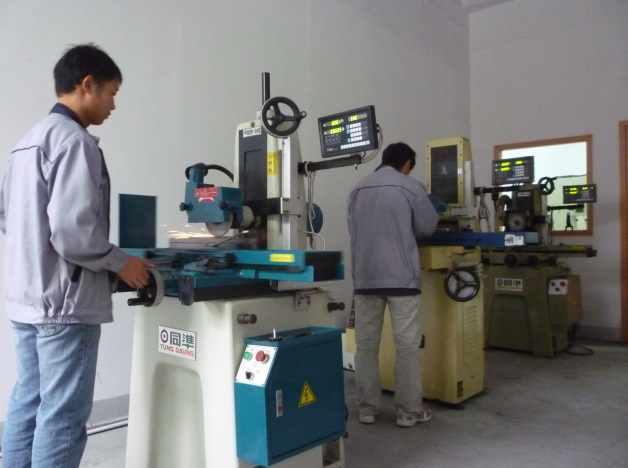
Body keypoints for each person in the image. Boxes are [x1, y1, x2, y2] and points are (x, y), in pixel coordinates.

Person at [0, 44, 152, 467]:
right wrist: (123, 263)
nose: (113, 105)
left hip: (25, 299)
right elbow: (74, 234)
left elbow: (7, 216)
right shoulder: (76, 142)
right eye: (112, 93)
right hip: (65, 306)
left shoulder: (27, 142)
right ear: (88, 85)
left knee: (29, 401)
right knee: (63, 416)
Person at [347, 142, 439, 428]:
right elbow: (427, 227)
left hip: (366, 278)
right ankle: (408, 412)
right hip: (402, 279)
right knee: (407, 347)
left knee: (365, 347)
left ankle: (367, 409)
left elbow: (353, 230)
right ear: (407, 164)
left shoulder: (357, 189)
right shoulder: (411, 187)